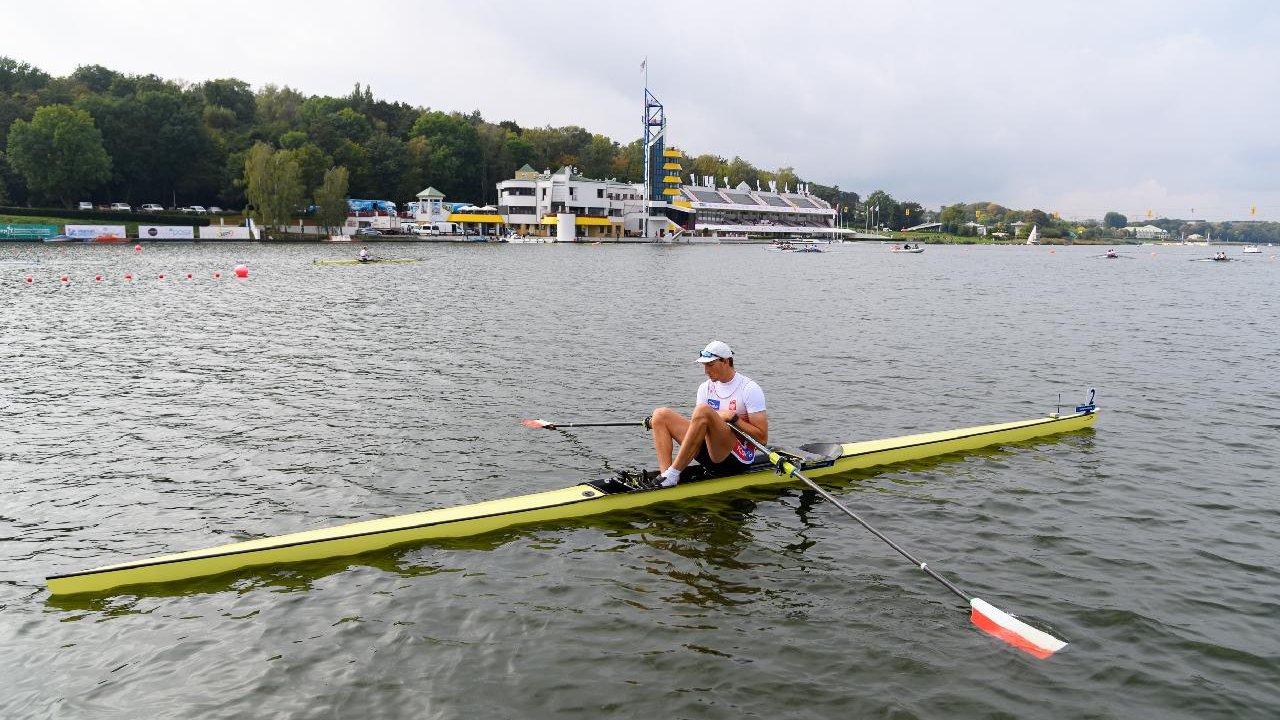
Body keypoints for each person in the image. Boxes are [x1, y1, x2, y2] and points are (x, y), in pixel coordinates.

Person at [649, 341, 768, 488]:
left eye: (710, 365)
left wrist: (734, 418)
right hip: (708, 451)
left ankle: (672, 473)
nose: (706, 371)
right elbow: (696, 430)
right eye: (704, 366)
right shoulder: (705, 388)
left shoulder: (749, 389)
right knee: (660, 415)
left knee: (702, 411)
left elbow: (762, 439)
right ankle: (666, 476)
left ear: (725, 361)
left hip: (736, 459)